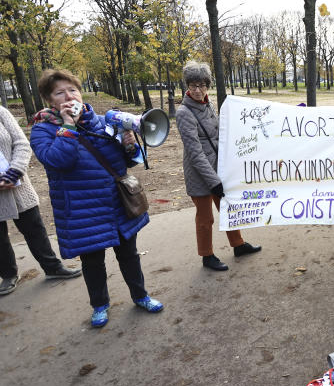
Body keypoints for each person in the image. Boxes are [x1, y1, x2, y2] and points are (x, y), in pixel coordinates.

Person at [30, 69, 163, 328]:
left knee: (129, 255)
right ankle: (100, 305)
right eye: (60, 92)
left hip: (117, 205)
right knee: (93, 262)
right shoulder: (42, 131)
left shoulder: (103, 121)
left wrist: (128, 145)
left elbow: (124, 164)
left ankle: (141, 296)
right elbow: (59, 161)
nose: (69, 96)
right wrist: (68, 125)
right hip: (82, 209)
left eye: (73, 90)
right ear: (49, 99)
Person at [175, 61, 261, 272]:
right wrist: (214, 182)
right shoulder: (184, 112)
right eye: (193, 85)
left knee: (229, 209)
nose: (197, 90)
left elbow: (218, 132)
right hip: (200, 173)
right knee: (205, 218)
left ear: (207, 86)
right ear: (187, 86)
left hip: (218, 167)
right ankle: (207, 255)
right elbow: (195, 153)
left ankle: (238, 245)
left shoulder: (208, 104)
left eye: (201, 85)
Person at [0, 105, 81, 295]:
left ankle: (52, 267)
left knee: (34, 227)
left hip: (18, 184)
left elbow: (21, 143)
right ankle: (8, 275)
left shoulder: (1, 112)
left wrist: (14, 172)